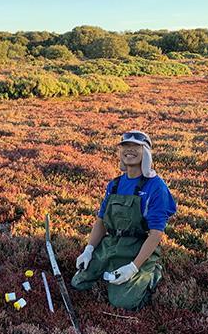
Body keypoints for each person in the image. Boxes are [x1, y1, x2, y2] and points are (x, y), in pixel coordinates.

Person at [71, 130, 176, 310]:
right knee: (78, 282)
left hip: (138, 246)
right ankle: (110, 264)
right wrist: (88, 250)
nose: (130, 150)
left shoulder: (156, 186)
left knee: (123, 302)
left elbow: (156, 234)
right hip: (112, 243)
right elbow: (101, 221)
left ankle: (151, 272)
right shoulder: (115, 184)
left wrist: (134, 267)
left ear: (147, 153)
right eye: (125, 146)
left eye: (136, 146)